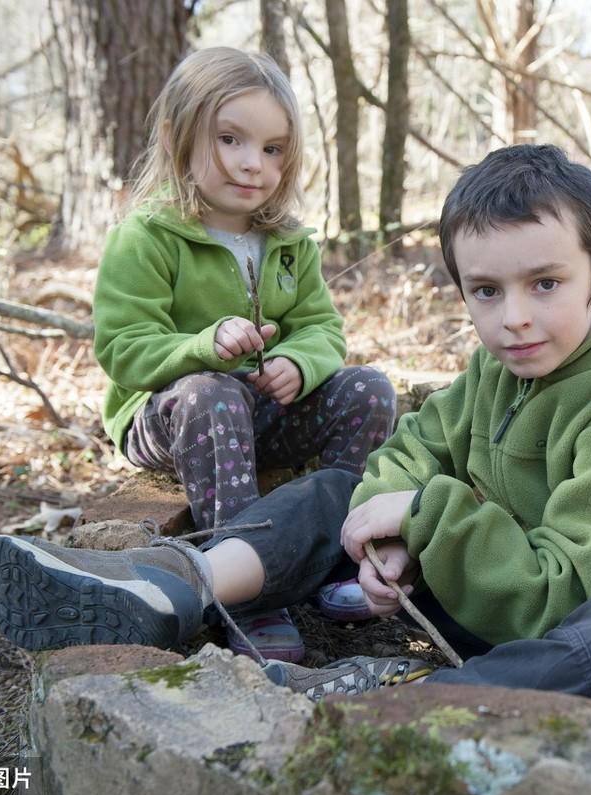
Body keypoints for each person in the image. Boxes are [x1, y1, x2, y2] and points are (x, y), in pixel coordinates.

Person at [0, 144, 591, 706]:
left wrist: (428, 515)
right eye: (486, 291)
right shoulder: (506, 365)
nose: (514, 316)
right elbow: (412, 446)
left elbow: (562, 594)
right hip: (488, 599)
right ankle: (180, 583)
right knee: (342, 487)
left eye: (546, 283)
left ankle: (384, 703)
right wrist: (395, 530)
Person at [90, 48, 391, 662]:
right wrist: (203, 347)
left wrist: (301, 364)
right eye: (231, 139)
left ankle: (340, 558)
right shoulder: (146, 237)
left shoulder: (287, 243)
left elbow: (322, 330)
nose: (254, 163)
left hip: (262, 415)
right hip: (169, 417)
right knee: (213, 390)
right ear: (179, 135)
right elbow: (123, 346)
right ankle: (248, 594)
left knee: (370, 388)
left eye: (274, 148)